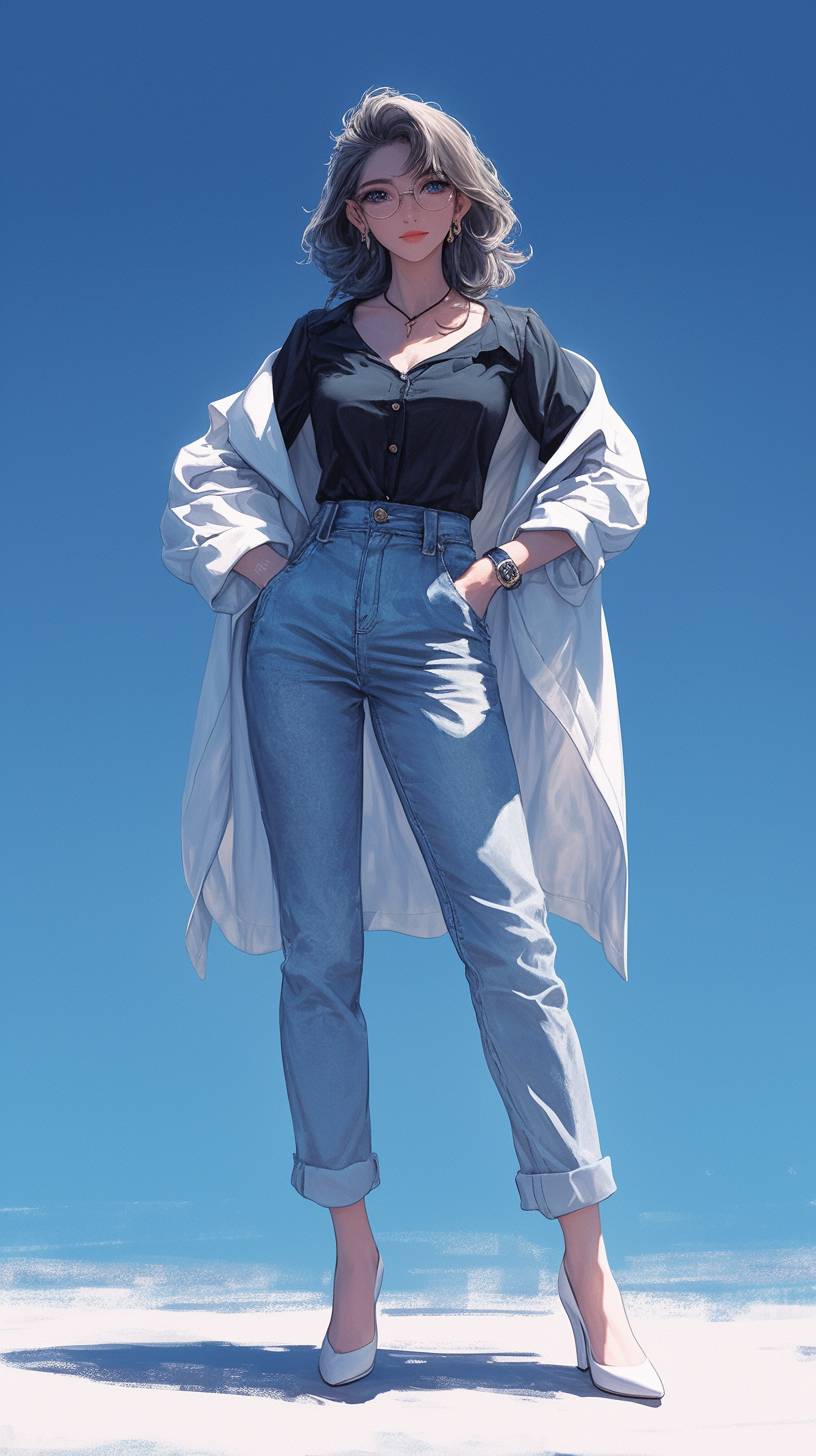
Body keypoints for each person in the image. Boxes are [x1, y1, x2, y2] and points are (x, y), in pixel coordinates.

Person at [160, 86, 662, 1399]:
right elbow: (212, 471)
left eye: (421, 186)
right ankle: (353, 1257)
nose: (400, 211)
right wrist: (270, 573)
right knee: (318, 950)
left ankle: (588, 1270)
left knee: (512, 938)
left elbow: (609, 474)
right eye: (374, 193)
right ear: (354, 216)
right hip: (308, 617)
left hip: (445, 611)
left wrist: (500, 567)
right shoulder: (317, 341)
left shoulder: (514, 345)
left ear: (461, 200)